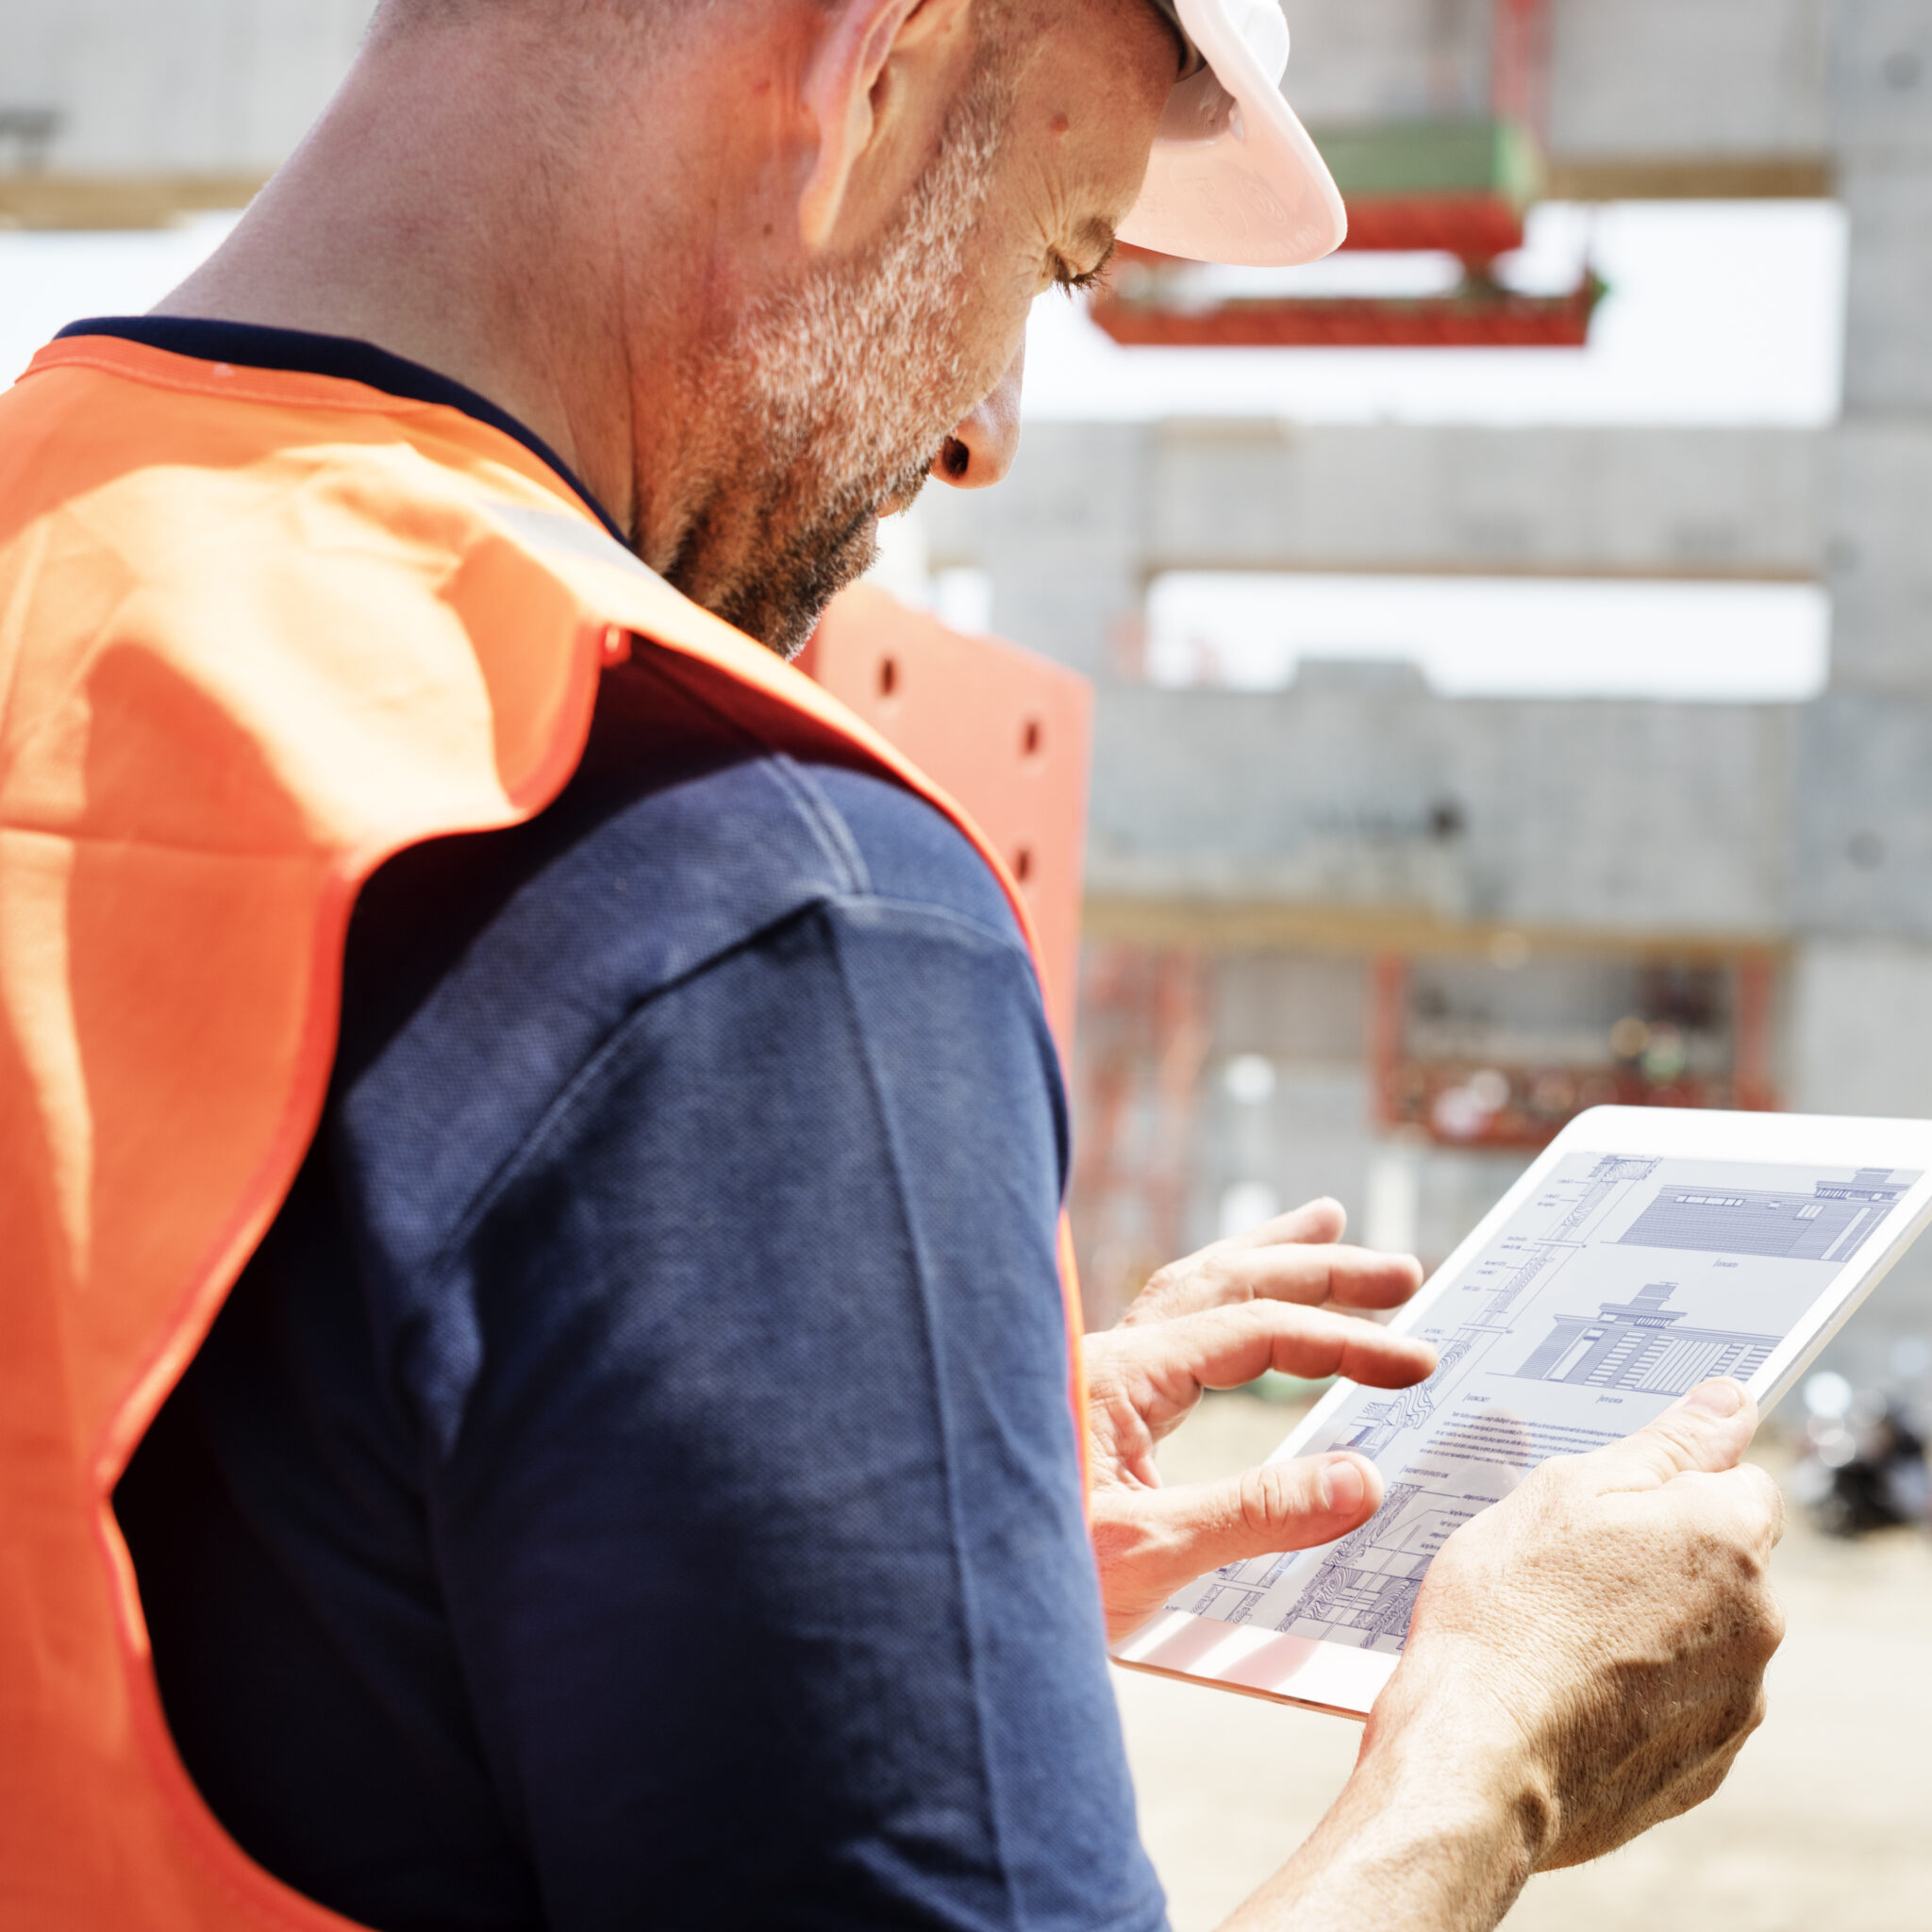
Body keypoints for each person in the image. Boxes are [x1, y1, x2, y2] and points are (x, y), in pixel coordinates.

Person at [0, 1, 1785, 1928]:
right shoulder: (735, 882)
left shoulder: (62, 556)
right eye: (1050, 253)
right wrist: (1486, 1761)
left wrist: (833, 1483)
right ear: (880, 72)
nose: (985, 430)